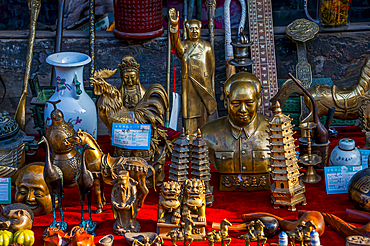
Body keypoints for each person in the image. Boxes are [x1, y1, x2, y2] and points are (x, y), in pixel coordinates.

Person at [201, 72, 270, 191]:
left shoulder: (274, 130)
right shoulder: (207, 133)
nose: (243, 110)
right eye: (236, 103)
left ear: (258, 101)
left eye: (249, 103)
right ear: (226, 103)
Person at [169, 8, 217, 139]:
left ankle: (205, 138)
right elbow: (176, 49)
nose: (194, 31)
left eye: (197, 28)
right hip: (189, 85)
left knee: (205, 112)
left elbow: (211, 66)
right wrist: (174, 26)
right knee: (190, 113)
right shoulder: (184, 46)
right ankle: (190, 138)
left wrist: (205, 77)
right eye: (191, 29)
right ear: (187, 30)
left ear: (201, 29)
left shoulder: (207, 46)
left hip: (204, 84)